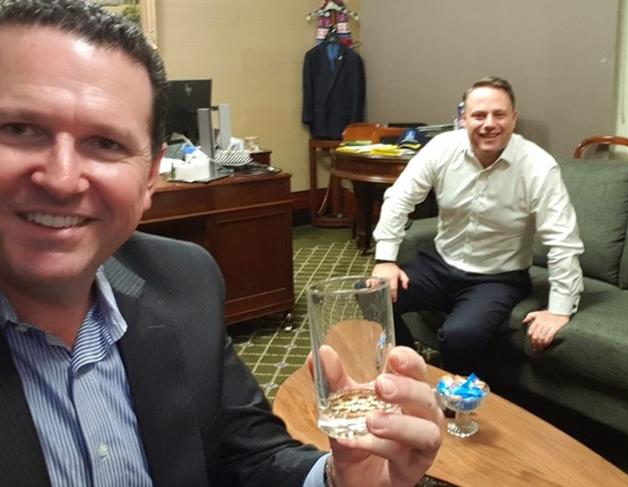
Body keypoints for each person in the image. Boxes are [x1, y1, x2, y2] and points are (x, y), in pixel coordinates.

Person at [0, 1, 442, 486]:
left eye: (106, 143)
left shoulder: (184, 281)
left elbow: (244, 457)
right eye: (19, 129)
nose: (63, 180)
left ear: (150, 176)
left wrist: (342, 479)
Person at [372, 77, 584, 374]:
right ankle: (411, 373)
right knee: (371, 294)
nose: (489, 123)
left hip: (497, 278)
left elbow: (562, 241)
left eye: (499, 114)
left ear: (513, 119)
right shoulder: (442, 148)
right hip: (440, 264)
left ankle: (458, 405)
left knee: (459, 336)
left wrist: (559, 309)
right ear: (463, 119)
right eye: (478, 115)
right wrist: (386, 259)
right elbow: (399, 199)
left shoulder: (538, 166)